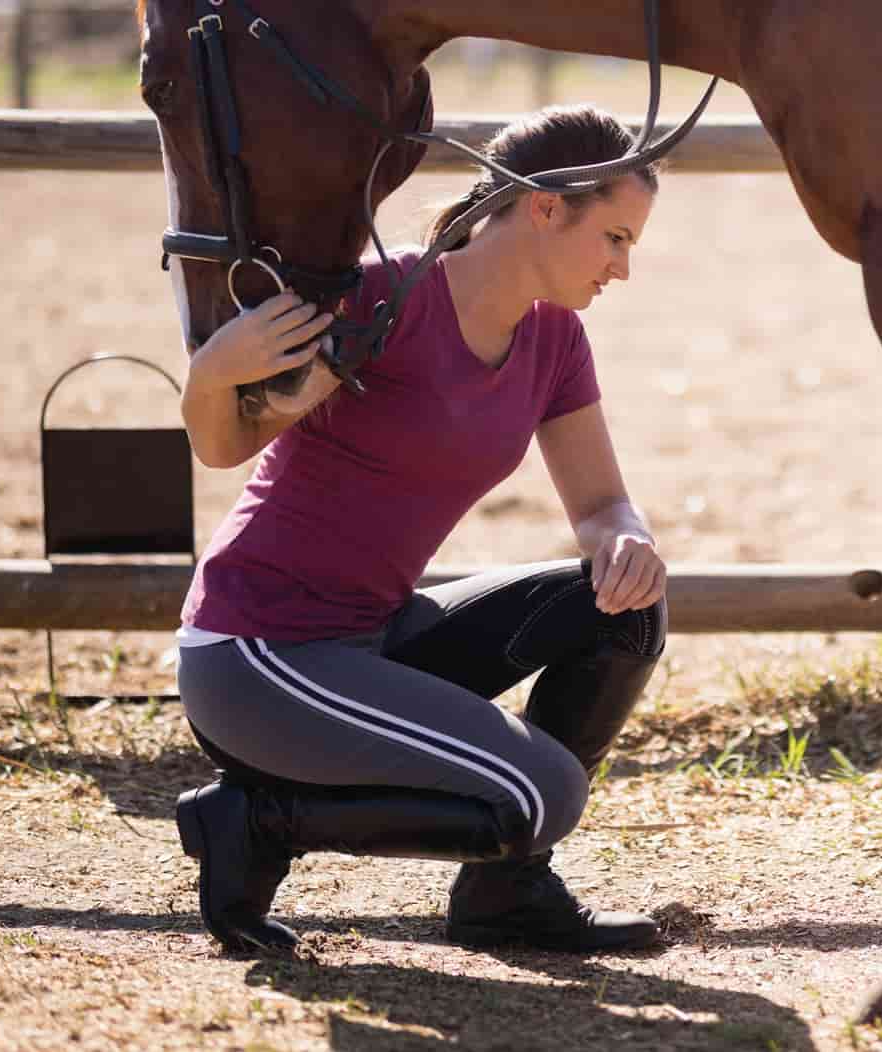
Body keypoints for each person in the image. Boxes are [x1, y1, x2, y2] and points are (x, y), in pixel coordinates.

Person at [171, 105, 670, 956]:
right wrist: (212, 371)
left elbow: (600, 507)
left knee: (623, 607)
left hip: (371, 637)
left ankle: (504, 900)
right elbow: (226, 446)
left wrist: (627, 538)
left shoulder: (556, 339)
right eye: (615, 238)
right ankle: (259, 820)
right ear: (547, 209)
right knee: (540, 795)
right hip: (259, 654)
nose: (624, 269)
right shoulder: (379, 302)